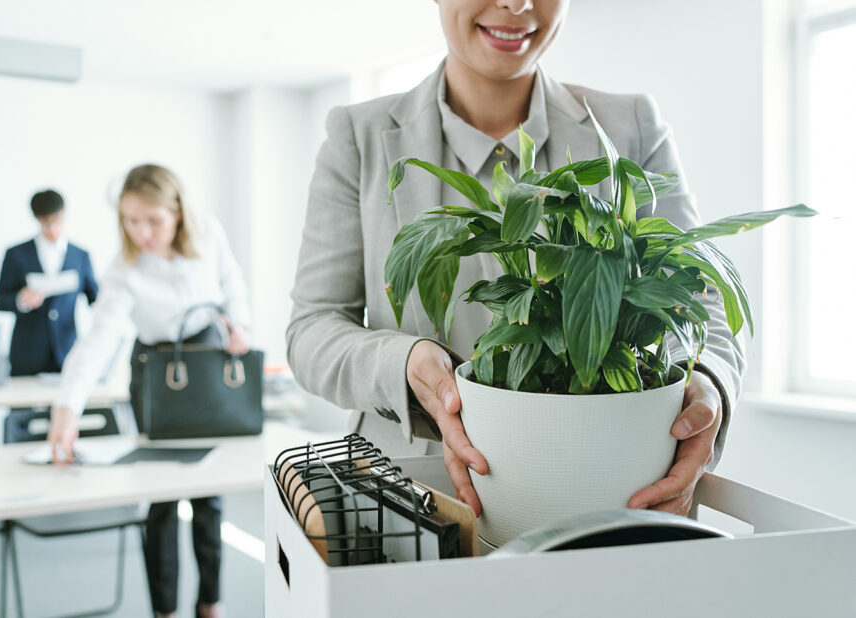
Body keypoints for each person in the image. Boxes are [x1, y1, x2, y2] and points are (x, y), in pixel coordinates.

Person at [286, 0, 745, 518]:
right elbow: (312, 329)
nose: (517, 4)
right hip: (410, 492)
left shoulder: (631, 126)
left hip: (608, 480)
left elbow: (697, 293)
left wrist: (706, 385)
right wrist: (405, 364)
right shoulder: (360, 136)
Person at [46, 164, 250, 618]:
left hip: (206, 358)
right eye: (130, 221)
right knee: (160, 497)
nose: (142, 232)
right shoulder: (124, 267)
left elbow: (232, 283)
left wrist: (242, 325)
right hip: (154, 370)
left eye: (152, 220)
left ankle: (210, 602)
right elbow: (99, 337)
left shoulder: (208, 233)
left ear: (177, 213)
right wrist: (67, 404)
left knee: (208, 494)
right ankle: (165, 610)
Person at [0, 189, 99, 376]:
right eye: (46, 223)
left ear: (64, 215)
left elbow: (96, 298)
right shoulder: (16, 254)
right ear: (37, 219)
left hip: (67, 351)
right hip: (27, 353)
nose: (52, 229)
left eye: (56, 222)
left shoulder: (81, 256)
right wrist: (21, 299)